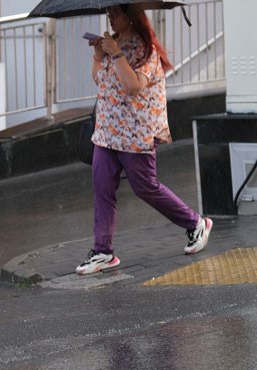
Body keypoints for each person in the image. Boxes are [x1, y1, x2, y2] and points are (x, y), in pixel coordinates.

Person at [77, 4, 212, 275]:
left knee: (146, 188)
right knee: (102, 187)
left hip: (135, 132)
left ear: (131, 15)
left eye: (116, 13)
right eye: (109, 14)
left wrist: (116, 55)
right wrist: (97, 54)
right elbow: (99, 80)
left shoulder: (145, 50)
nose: (111, 19)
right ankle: (103, 251)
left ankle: (196, 223)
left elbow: (133, 86)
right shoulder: (111, 44)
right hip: (106, 132)